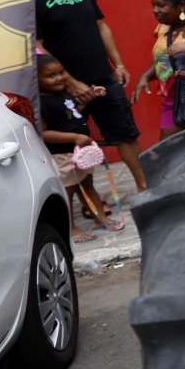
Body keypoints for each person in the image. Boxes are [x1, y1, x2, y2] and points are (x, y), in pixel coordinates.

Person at [34, 0, 148, 191]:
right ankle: (91, 201)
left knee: (127, 133)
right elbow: (37, 46)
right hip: (63, 88)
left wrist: (118, 64)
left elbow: (101, 26)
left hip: (103, 77)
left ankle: (144, 187)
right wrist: (70, 82)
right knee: (73, 143)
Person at [38, 53, 122, 244]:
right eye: (51, 75)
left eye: (61, 72)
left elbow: (72, 113)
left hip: (80, 153)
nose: (59, 78)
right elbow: (44, 133)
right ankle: (70, 229)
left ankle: (100, 217)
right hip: (63, 155)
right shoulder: (41, 104)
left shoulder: (62, 94)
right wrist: (75, 137)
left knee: (87, 184)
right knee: (67, 192)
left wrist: (89, 98)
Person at [130, 0, 185, 142]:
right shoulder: (164, 27)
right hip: (175, 97)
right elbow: (166, 57)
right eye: (153, 5)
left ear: (181, 5)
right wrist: (146, 76)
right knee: (171, 148)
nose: (155, 10)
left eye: (161, 5)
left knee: (170, 148)